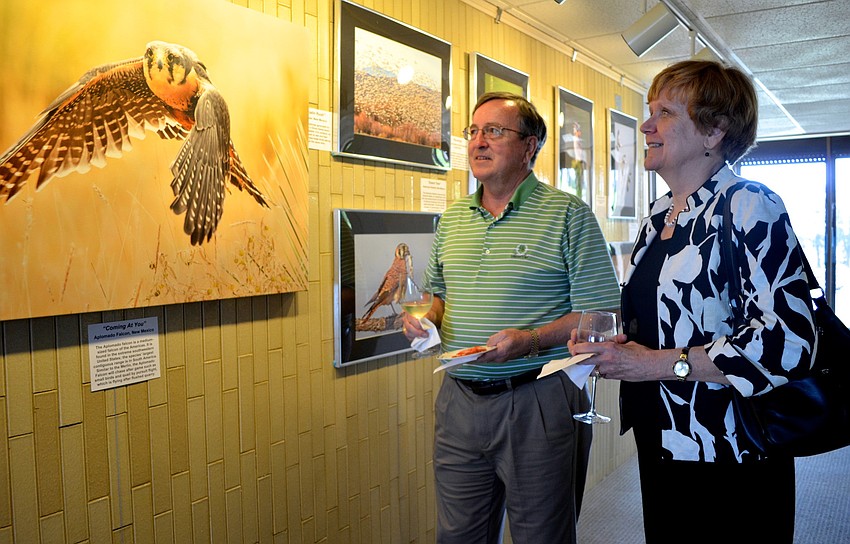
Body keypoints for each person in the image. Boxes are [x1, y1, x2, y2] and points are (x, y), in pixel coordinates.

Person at [568, 60, 817, 543]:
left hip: (730, 448)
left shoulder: (748, 205)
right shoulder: (660, 215)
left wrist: (656, 365)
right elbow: (667, 320)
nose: (646, 125)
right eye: (649, 110)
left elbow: (788, 340)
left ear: (714, 131)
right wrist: (617, 348)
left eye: (664, 113)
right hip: (663, 438)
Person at [402, 91, 621, 544]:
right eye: (473, 132)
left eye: (494, 131)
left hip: (538, 397)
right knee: (459, 536)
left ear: (530, 146)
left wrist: (532, 340)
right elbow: (436, 294)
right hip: (458, 398)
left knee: (542, 535)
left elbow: (601, 313)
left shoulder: (567, 216)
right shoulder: (452, 219)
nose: (479, 142)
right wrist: (425, 319)